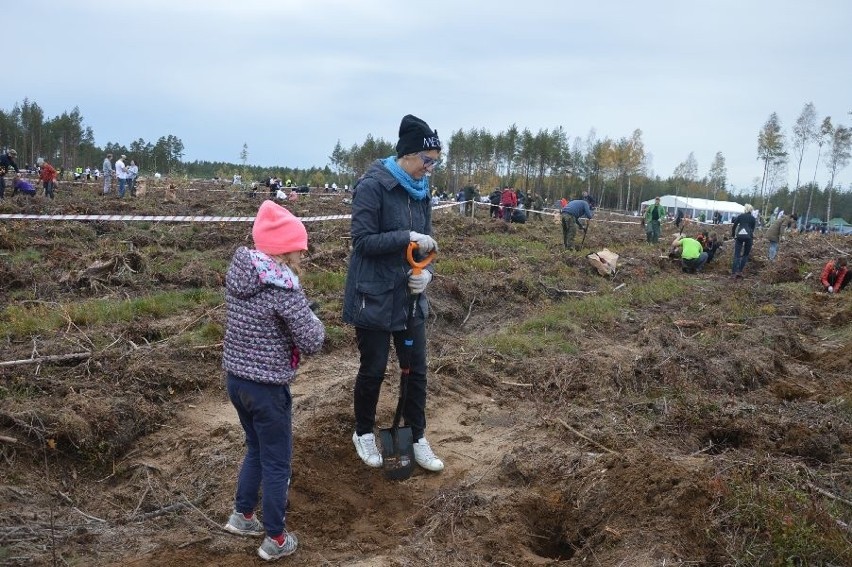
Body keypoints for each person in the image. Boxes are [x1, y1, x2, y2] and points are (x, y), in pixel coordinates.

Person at [221, 200, 325, 561]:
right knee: (278, 461)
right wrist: (315, 320)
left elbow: (263, 322)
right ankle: (276, 538)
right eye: (300, 248)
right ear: (285, 249)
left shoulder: (242, 276)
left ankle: (242, 515)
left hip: (237, 381)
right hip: (267, 389)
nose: (303, 254)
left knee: (255, 448)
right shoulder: (285, 288)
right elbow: (311, 341)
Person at [343, 114, 444, 473]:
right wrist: (406, 237)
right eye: (427, 161)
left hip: (409, 296)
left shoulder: (422, 192)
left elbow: (428, 243)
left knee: (416, 371)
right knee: (372, 368)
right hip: (373, 293)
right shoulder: (373, 185)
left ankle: (417, 436)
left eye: (436, 162)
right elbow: (363, 241)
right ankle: (363, 432)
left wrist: (427, 274)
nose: (431, 169)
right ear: (408, 155)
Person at [730, 204, 757, 278]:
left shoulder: (740, 216)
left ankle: (733, 273)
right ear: (751, 210)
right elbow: (753, 229)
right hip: (749, 237)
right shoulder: (753, 218)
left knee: (737, 255)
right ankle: (740, 271)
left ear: (745, 209)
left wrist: (733, 235)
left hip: (739, 236)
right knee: (745, 255)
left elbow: (734, 226)